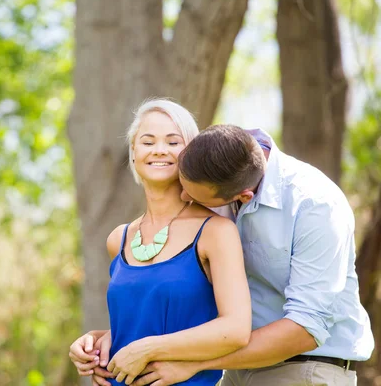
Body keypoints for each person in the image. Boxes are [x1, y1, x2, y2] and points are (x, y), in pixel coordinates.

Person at [71, 124, 374, 386]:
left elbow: (306, 328)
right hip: (235, 369)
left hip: (305, 369)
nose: (185, 198)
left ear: (243, 197)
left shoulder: (316, 206)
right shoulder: (222, 157)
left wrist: (195, 363)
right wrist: (111, 337)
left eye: (193, 195)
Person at [70, 100, 252, 386]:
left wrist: (148, 348)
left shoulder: (216, 231)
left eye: (173, 141)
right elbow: (143, 318)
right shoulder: (119, 239)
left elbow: (237, 329)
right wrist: (95, 344)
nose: (159, 150)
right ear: (133, 153)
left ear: (190, 153)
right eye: (147, 141)